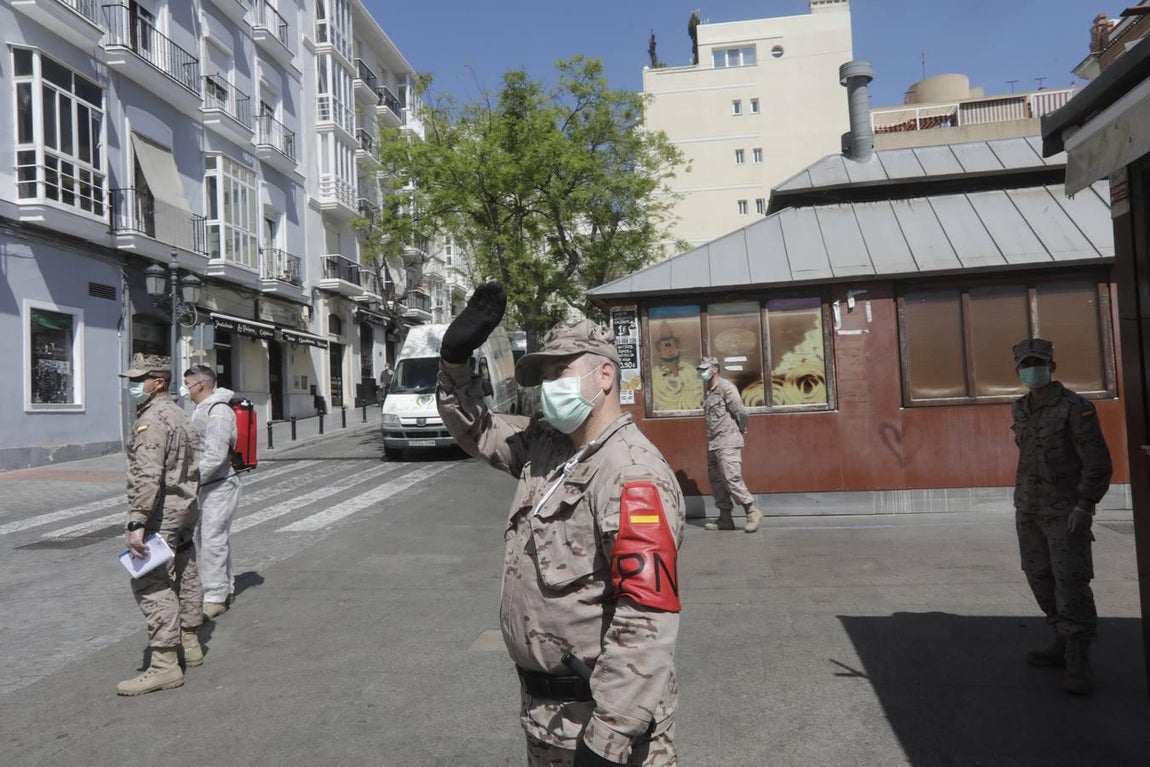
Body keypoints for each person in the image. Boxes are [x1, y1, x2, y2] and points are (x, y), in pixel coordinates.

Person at [437, 284, 684, 766]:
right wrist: (455, 362)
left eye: (561, 371)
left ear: (605, 374)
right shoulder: (550, 447)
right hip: (548, 718)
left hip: (602, 725)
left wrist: (609, 739)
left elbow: (647, 616)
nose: (550, 385)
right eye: (545, 375)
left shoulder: (632, 472)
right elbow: (480, 430)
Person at [1011, 337, 1112, 695]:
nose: (1031, 369)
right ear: (1018, 370)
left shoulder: (1076, 408)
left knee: (1071, 580)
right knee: (1038, 575)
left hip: (1065, 511)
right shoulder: (1019, 409)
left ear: (1052, 367)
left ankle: (1078, 656)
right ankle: (1060, 638)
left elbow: (1098, 463)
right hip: (1028, 507)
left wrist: (1085, 506)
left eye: (1037, 362)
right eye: (1025, 364)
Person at [117, 353, 203, 695]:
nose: (133, 386)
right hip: (183, 508)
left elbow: (148, 476)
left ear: (159, 382)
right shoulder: (180, 415)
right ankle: (191, 643)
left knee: (151, 582)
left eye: (139, 380)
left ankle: (165, 664)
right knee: (186, 569)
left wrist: (137, 521)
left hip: (159, 514)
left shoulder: (152, 420)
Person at [183, 364, 240, 620]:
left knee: (213, 539)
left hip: (220, 484)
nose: (186, 390)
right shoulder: (201, 410)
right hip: (206, 486)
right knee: (207, 538)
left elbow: (216, 455)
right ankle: (225, 586)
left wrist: (189, 481)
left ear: (201, 385)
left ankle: (215, 597)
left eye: (188, 384)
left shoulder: (219, 412)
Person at [697, 357, 763, 533]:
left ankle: (752, 512)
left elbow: (741, 412)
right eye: (700, 369)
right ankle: (725, 518)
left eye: (705, 369)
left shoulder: (726, 388)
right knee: (716, 480)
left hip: (727, 440)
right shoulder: (709, 391)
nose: (702, 372)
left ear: (715, 369)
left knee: (731, 477)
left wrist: (740, 431)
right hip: (714, 441)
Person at [649, 324, 703, 412]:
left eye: (672, 347)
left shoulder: (690, 370)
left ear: (678, 349)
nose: (669, 351)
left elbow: (699, 388)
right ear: (660, 352)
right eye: (665, 349)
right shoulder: (655, 375)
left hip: (691, 412)